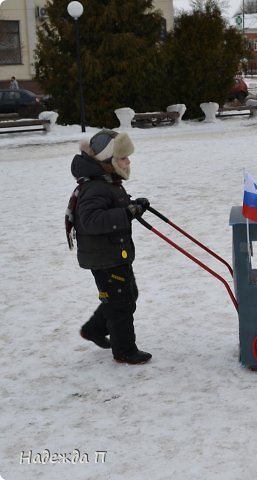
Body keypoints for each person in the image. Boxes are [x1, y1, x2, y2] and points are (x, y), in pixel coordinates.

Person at [67, 129, 152, 364]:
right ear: (108, 162)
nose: (128, 161)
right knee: (120, 303)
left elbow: (111, 208)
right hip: (104, 257)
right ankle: (124, 351)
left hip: (112, 253)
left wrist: (133, 205)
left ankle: (94, 329)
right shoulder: (96, 187)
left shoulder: (108, 183)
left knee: (125, 296)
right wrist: (126, 212)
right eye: (123, 158)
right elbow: (91, 220)